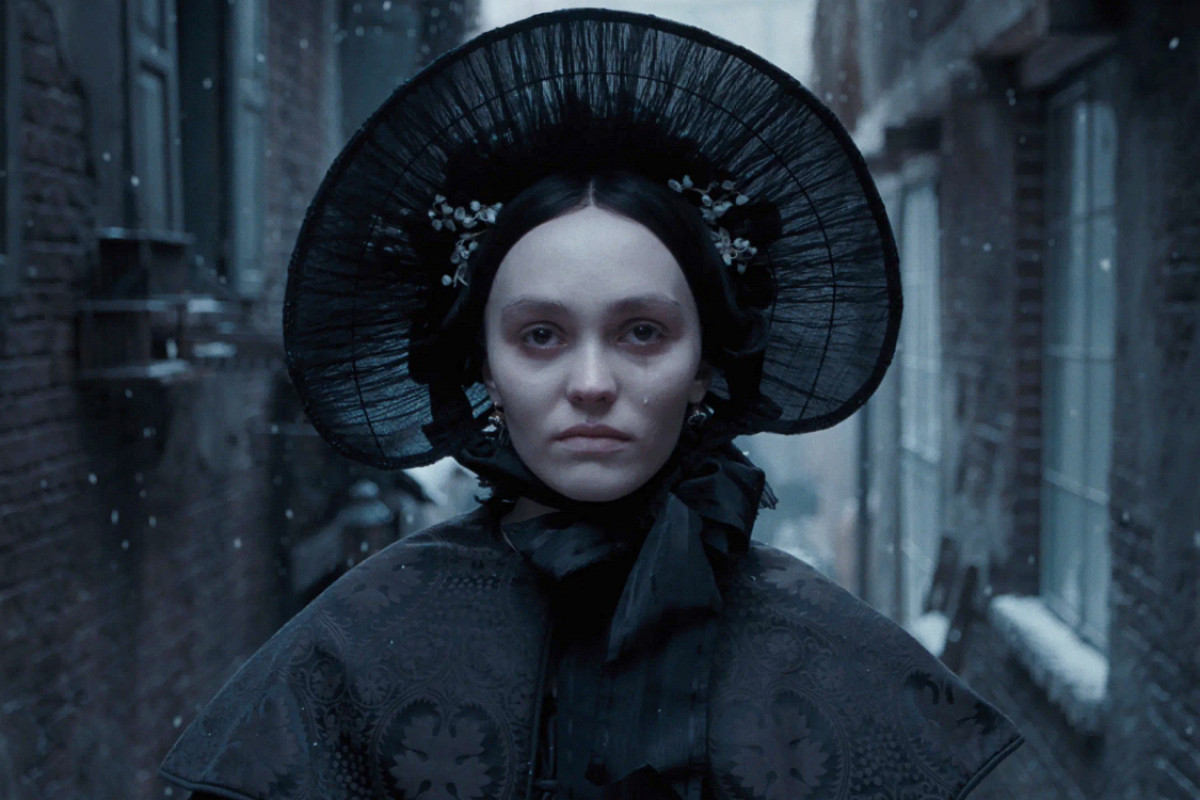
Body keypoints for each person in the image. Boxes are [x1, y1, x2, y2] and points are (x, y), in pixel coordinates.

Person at [160, 10, 1023, 800]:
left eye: (642, 332)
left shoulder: (831, 657)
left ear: (704, 363)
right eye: (541, 335)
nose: (591, 382)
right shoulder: (355, 651)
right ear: (484, 366)